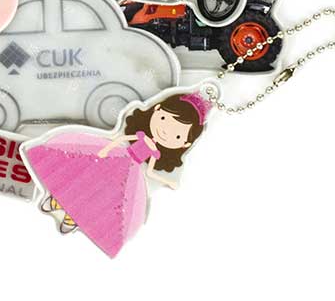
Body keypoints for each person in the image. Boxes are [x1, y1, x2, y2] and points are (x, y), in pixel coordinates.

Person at [23, 92, 210, 257]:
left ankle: (72, 218)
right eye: (163, 119)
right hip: (115, 156)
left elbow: (150, 171)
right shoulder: (141, 136)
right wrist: (106, 149)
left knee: (102, 197)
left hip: (129, 175)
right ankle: (55, 202)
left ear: (185, 144)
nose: (166, 132)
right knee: (85, 178)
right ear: (157, 109)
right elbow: (122, 138)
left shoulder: (155, 154)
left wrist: (168, 182)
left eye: (177, 136)